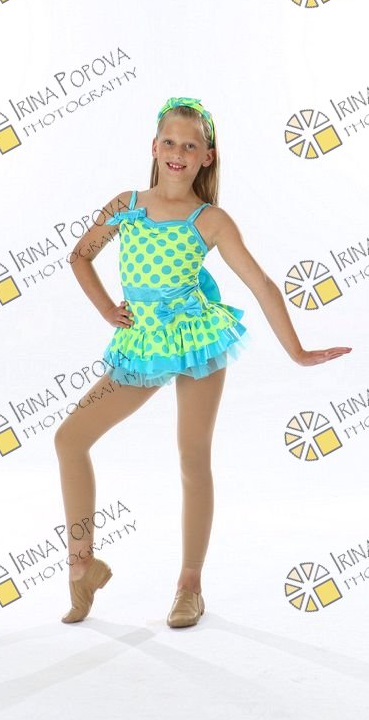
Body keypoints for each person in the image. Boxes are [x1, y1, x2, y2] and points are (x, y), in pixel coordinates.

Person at [54, 97, 351, 628]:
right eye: (170, 141)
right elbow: (80, 255)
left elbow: (261, 284)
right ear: (154, 147)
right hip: (142, 343)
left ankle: (190, 584)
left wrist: (298, 351)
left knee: (192, 456)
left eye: (190, 146)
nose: (178, 152)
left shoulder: (210, 219)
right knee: (70, 439)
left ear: (206, 157)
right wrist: (106, 309)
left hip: (197, 338)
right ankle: (82, 565)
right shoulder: (125, 205)